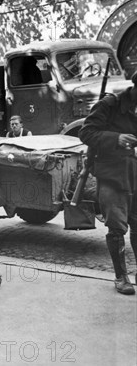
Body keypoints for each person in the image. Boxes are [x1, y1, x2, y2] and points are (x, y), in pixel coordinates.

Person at [78, 71, 137, 295]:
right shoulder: (110, 104)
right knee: (117, 227)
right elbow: (86, 132)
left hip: (135, 174)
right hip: (112, 175)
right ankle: (121, 276)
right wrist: (116, 139)